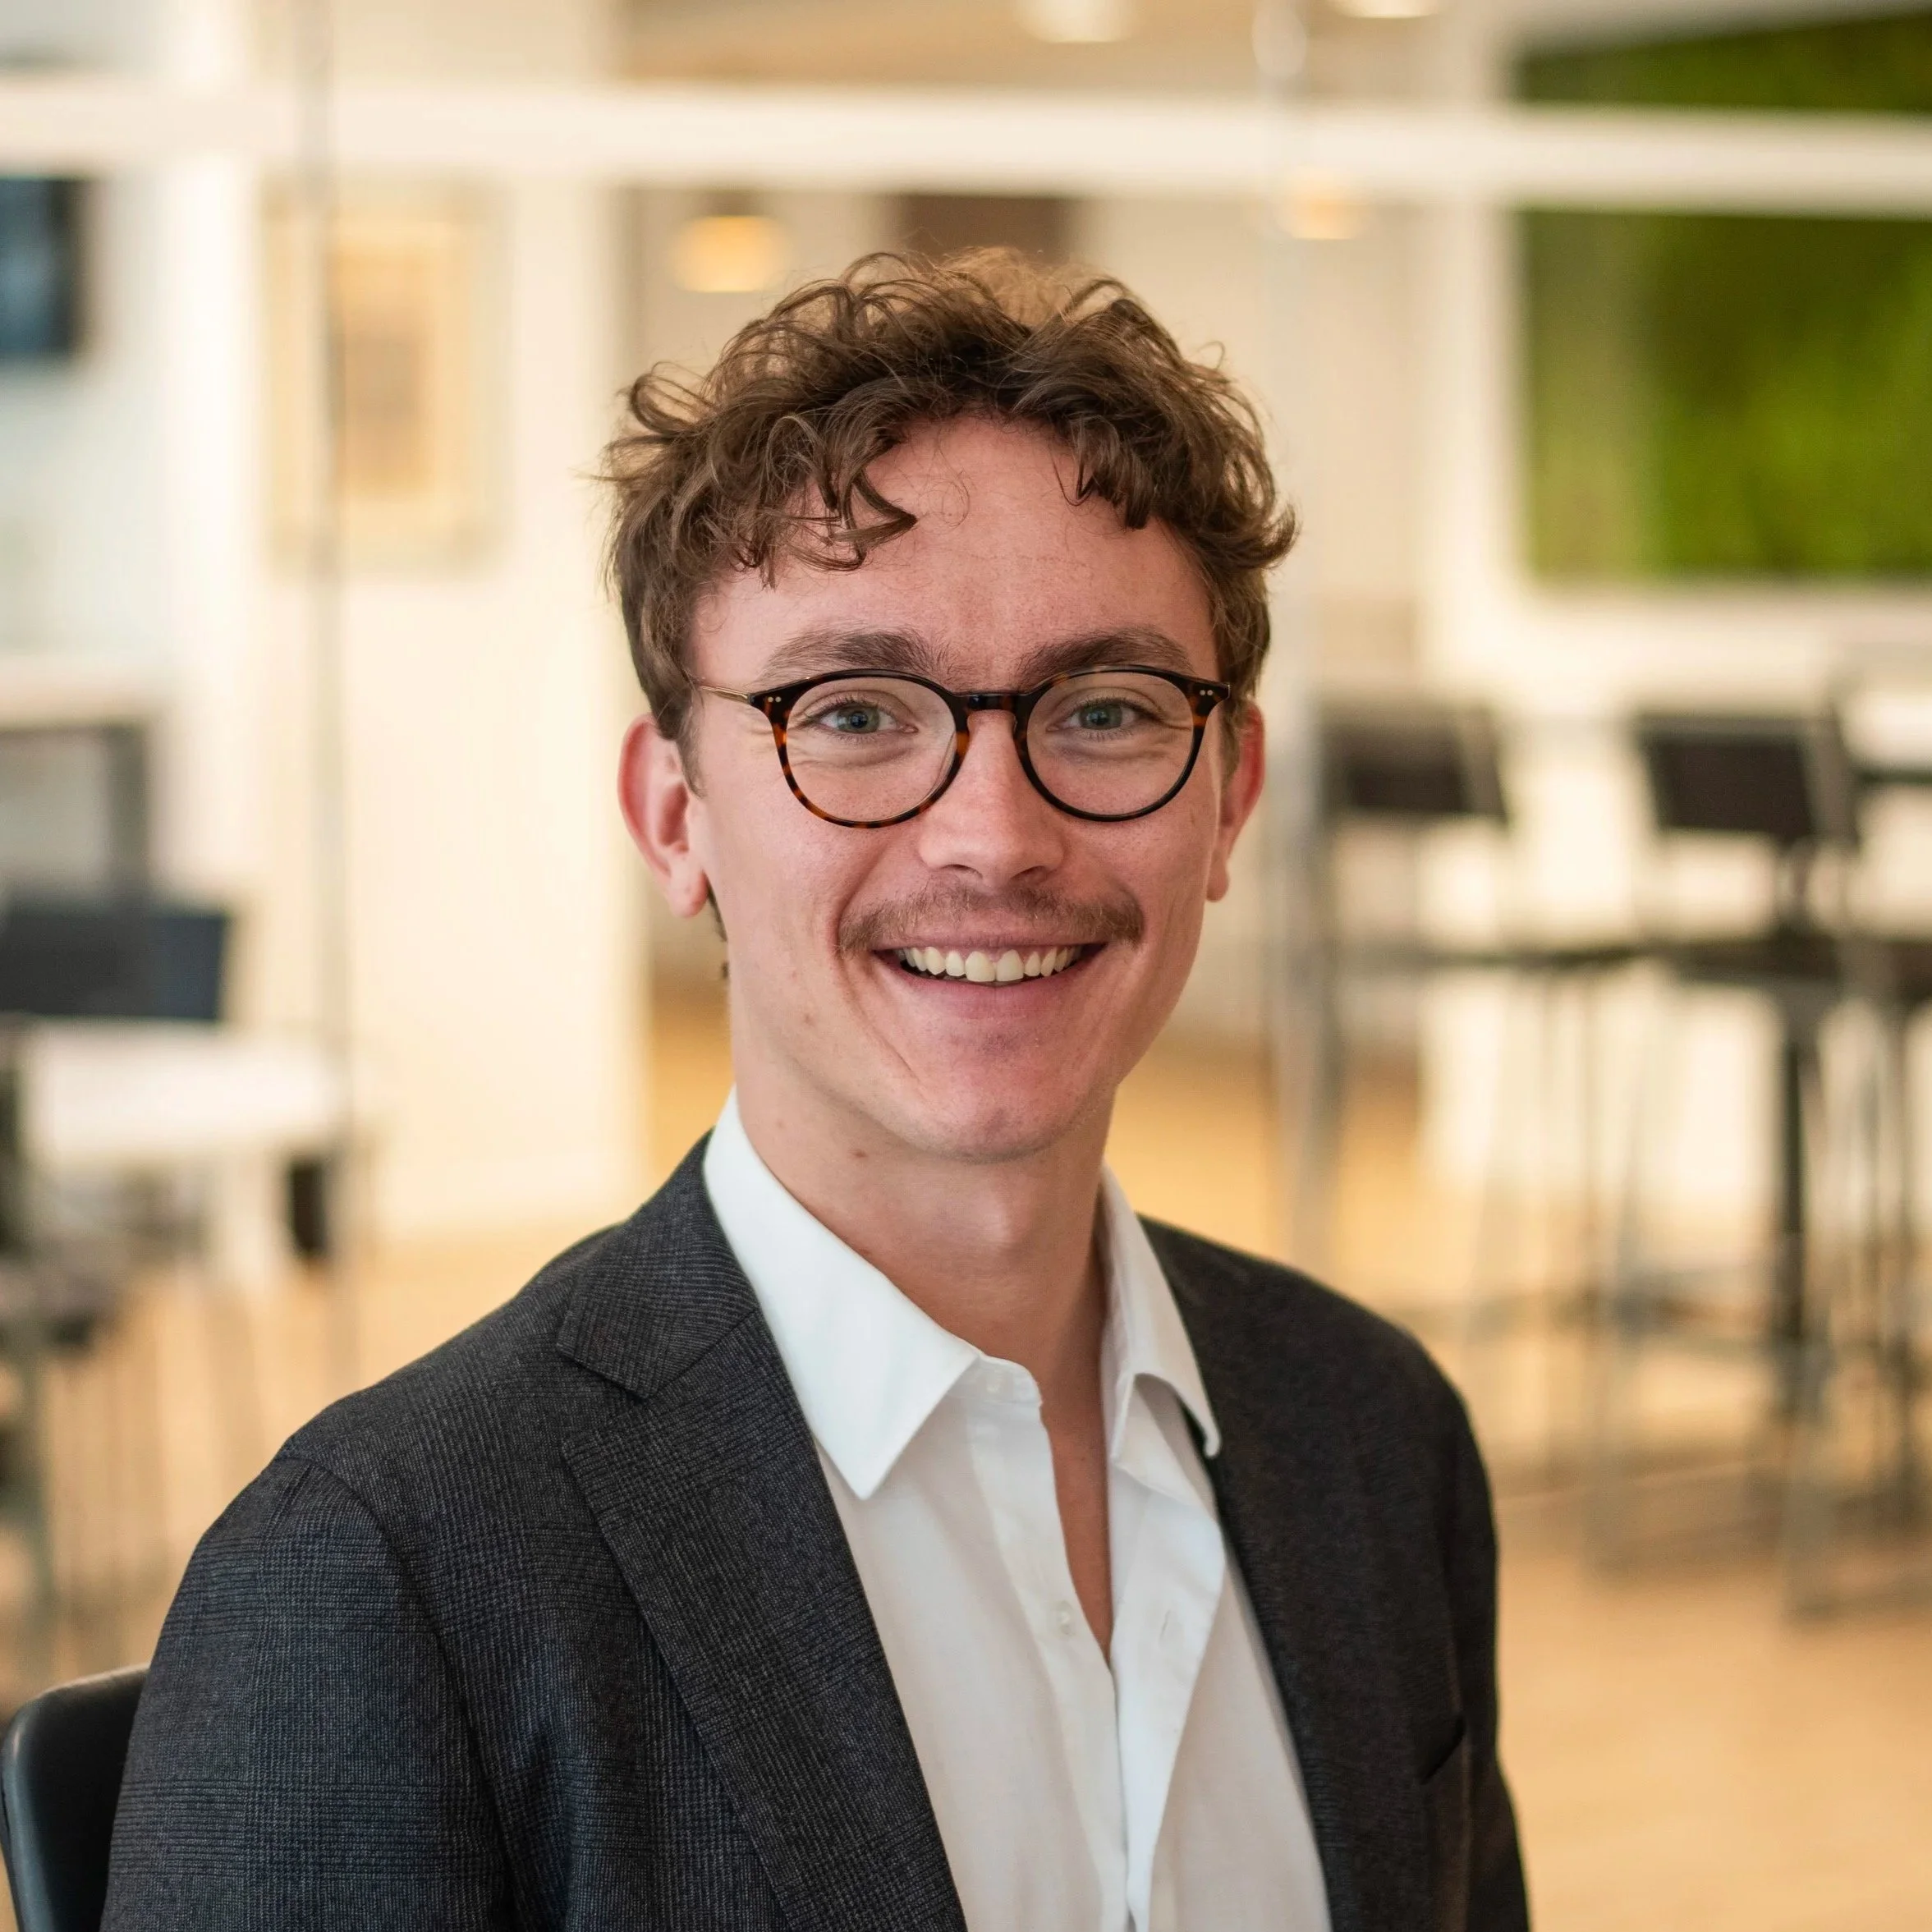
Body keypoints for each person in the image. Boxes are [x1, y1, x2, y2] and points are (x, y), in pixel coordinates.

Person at [105, 251, 1528, 1932]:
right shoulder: (379, 1575)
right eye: (853, 714)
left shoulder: (1375, 1437)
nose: (994, 836)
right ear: (674, 819)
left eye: (1106, 710)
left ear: (1228, 797)